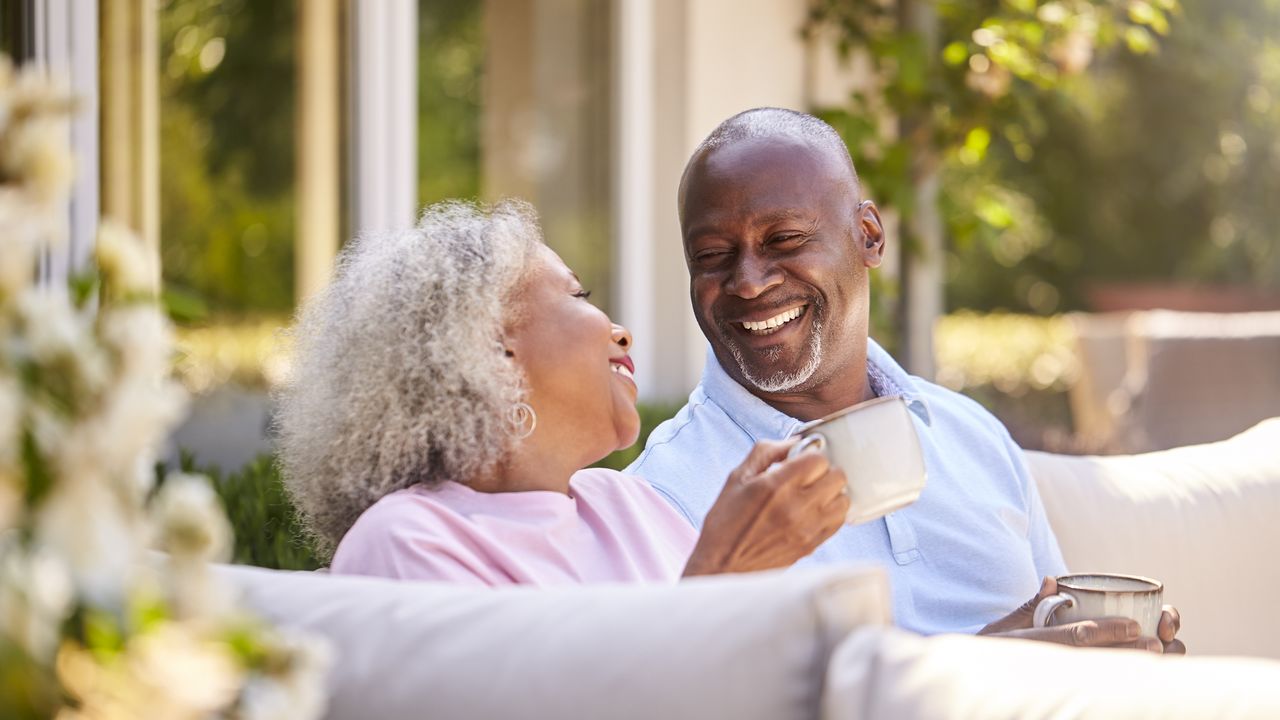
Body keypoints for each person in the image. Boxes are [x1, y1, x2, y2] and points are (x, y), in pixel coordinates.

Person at [626, 107, 1184, 653]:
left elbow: (1057, 624)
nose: (747, 282)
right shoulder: (664, 494)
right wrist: (977, 671)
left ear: (868, 235)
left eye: (785, 239)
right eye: (713, 255)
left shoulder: (970, 435)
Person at [275, 200, 850, 587]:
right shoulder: (407, 541)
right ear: (490, 352)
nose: (621, 331)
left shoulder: (630, 505)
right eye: (578, 295)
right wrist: (723, 575)